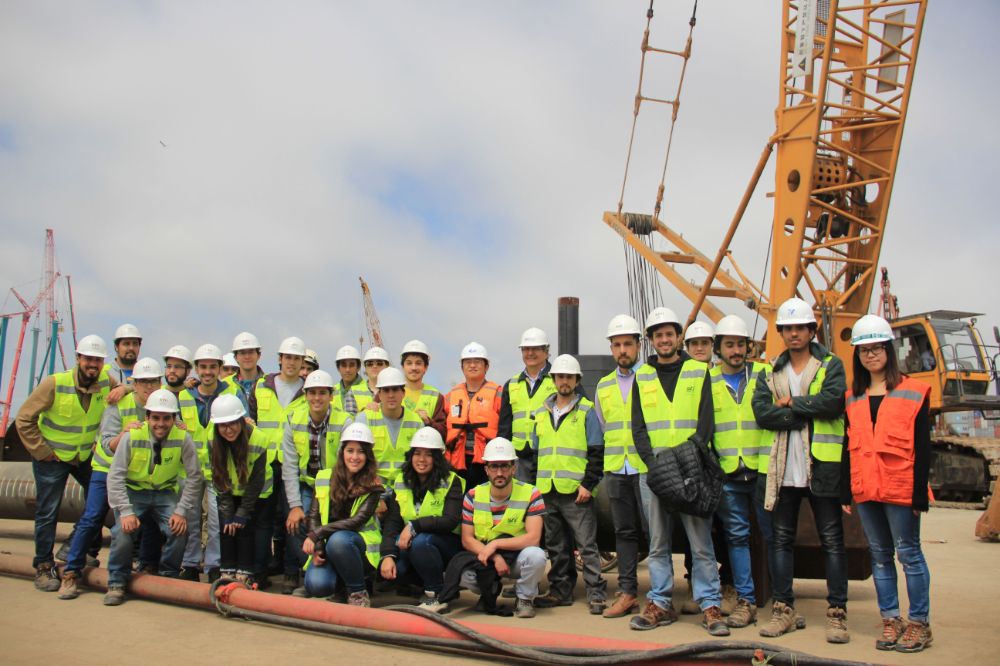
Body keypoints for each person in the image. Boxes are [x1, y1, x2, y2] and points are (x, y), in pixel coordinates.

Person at [751, 297, 849, 643]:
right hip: (782, 472)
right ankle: (784, 610)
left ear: (812, 330)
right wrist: (807, 410)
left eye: (800, 328)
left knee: (832, 542)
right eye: (788, 328)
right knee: (780, 542)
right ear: (781, 332)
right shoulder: (769, 371)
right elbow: (763, 413)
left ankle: (837, 613)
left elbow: (833, 401)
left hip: (821, 468)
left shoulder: (830, 365)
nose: (794, 334)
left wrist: (791, 403)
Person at [629, 307, 728, 637]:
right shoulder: (642, 376)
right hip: (656, 469)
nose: (664, 339)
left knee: (700, 542)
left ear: (677, 337)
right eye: (658, 335)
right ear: (651, 341)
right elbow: (638, 426)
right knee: (657, 542)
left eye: (669, 333)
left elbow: (706, 422)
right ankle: (659, 601)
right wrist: (653, 464)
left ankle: (709, 604)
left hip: (691, 467)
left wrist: (691, 457)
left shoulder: (698, 372)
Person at [842, 315, 933, 653]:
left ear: (889, 350)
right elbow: (846, 445)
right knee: (880, 556)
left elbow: (923, 446)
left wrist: (919, 492)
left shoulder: (913, 389)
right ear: (858, 355)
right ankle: (891, 619)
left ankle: (919, 623)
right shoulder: (853, 396)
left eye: (878, 347)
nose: (871, 354)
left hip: (900, 487)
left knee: (909, 554)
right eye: (865, 350)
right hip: (867, 488)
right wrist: (845, 490)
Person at [15, 335, 119, 592]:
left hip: (84, 456)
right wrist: (42, 451)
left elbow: (123, 391)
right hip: (53, 458)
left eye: (97, 359)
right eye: (88, 359)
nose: (92, 364)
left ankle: (74, 547)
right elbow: (24, 419)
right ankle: (43, 565)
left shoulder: (106, 381)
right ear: (78, 359)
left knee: (101, 498)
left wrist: (125, 389)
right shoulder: (55, 383)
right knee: (48, 511)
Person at [58, 357, 165, 599]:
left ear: (160, 383)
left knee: (141, 521)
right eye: (143, 382)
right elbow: (106, 444)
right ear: (135, 383)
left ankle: (139, 570)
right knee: (93, 516)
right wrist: (124, 437)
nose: (148, 387)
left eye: (153, 381)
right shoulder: (119, 404)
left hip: (135, 475)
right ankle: (71, 572)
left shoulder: (162, 403)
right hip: (106, 469)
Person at [103, 389, 203, 606]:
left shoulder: (183, 438)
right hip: (133, 492)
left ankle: (168, 578)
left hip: (164, 493)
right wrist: (126, 512)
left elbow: (195, 476)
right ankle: (117, 582)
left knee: (178, 528)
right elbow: (115, 476)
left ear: (174, 419)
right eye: (155, 418)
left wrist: (181, 511)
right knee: (122, 531)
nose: (161, 423)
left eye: (167, 418)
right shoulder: (132, 436)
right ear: (146, 417)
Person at [708, 315, 775, 629]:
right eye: (729, 345)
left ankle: (781, 602)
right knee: (736, 537)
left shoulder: (765, 374)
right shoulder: (708, 382)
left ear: (749, 347)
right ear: (719, 348)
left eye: (740, 345)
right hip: (728, 472)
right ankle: (746, 600)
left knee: (773, 536)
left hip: (762, 469)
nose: (736, 351)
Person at [531, 354, 607, 614]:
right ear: (554, 379)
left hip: (577, 493)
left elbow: (597, 452)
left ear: (576, 381)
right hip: (548, 491)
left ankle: (596, 592)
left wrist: (588, 485)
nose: (564, 381)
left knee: (587, 545)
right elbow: (535, 454)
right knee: (556, 546)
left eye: (569, 377)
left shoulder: (586, 411)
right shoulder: (541, 413)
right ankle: (560, 591)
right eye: (560, 376)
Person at [440, 438, 546, 618]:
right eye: (494, 467)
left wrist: (496, 545)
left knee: (537, 556)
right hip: (487, 559)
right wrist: (495, 556)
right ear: (486, 469)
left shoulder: (531, 493)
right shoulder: (473, 495)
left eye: (504, 466)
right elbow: (467, 539)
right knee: (463, 571)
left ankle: (524, 598)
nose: (499, 472)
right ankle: (489, 592)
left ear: (514, 468)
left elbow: (533, 538)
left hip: (517, 557)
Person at [594, 315, 653, 619]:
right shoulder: (603, 387)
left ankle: (659, 595)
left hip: (647, 468)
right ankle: (627, 592)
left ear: (638, 345)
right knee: (624, 533)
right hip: (617, 467)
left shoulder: (653, 378)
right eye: (616, 345)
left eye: (627, 343)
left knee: (656, 532)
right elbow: (605, 426)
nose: (622, 350)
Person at [177, 343, 247, 582]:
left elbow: (244, 423)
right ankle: (189, 563)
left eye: (212, 367)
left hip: (220, 469)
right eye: (203, 367)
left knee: (218, 521)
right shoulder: (184, 396)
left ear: (219, 368)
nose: (207, 372)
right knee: (191, 518)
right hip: (189, 470)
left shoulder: (232, 393)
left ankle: (214, 564)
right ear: (196, 369)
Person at [380, 427, 465, 612]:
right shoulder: (402, 481)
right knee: (397, 569)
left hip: (446, 545)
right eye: (417, 453)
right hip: (414, 543)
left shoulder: (451, 481)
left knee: (421, 542)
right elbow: (393, 522)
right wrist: (388, 555)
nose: (421, 459)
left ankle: (437, 595)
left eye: (428, 454)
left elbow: (450, 520)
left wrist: (414, 525)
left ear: (438, 457)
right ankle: (422, 584)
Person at [281, 369, 351, 593]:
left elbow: (346, 466)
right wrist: (295, 505)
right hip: (306, 484)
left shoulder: (344, 421)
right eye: (312, 393)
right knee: (295, 522)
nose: (317, 398)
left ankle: (333, 565)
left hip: (336, 488)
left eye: (322, 393)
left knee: (332, 526)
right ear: (305, 395)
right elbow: (290, 466)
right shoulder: (294, 420)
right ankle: (309, 566)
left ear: (331, 395)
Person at [302, 422, 383, 607]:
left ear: (368, 456)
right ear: (342, 452)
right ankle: (342, 585)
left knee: (339, 540)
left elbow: (356, 521)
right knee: (318, 586)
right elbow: (314, 515)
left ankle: (357, 592)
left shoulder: (373, 485)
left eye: (361, 451)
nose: (355, 457)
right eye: (350, 450)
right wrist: (319, 547)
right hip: (329, 544)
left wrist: (317, 535)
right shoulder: (324, 477)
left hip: (358, 548)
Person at [249, 336, 307, 591]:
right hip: (263, 462)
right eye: (288, 357)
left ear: (302, 361)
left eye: (296, 358)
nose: (291, 362)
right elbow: (251, 421)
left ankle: (291, 573)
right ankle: (259, 572)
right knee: (262, 521)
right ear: (280, 359)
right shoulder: (261, 386)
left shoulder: (308, 390)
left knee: (292, 518)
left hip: (292, 464)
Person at [209, 394, 272, 587]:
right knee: (228, 528)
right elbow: (219, 477)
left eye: (232, 424)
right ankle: (228, 570)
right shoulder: (213, 441)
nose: (228, 430)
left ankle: (250, 573)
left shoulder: (259, 439)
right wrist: (229, 514)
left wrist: (242, 513)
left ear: (241, 421)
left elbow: (256, 482)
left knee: (249, 533)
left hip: (258, 494)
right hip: (229, 493)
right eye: (223, 426)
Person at [498, 327, 556, 483]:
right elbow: (505, 425)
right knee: (521, 502)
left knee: (544, 503)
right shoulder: (511, 384)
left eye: (535, 348)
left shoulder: (560, 378)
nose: (530, 353)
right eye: (526, 349)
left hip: (548, 454)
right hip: (519, 456)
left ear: (546, 351)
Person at [444, 342, 502, 488]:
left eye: (477, 362)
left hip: (487, 460)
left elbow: (504, 426)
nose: (472, 365)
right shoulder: (450, 396)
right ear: (462, 367)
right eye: (468, 362)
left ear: (486, 366)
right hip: (457, 459)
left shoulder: (498, 393)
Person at [353, 367, 423, 486]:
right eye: (386, 390)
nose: (391, 395)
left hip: (407, 487)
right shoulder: (364, 420)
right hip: (372, 486)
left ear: (403, 393)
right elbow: (354, 460)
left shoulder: (416, 422)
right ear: (379, 394)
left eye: (395, 389)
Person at [399, 339, 447, 437]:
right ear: (402, 366)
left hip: (424, 450)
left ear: (426, 367)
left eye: (418, 363)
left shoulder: (436, 396)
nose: (414, 368)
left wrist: (429, 422)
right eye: (409, 363)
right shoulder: (389, 390)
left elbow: (444, 432)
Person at [332, 345, 372, 416]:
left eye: (351, 365)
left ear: (358, 367)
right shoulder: (332, 391)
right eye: (344, 365)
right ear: (338, 368)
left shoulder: (369, 388)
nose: (347, 369)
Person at [231, 332, 266, 397]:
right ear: (235, 357)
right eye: (242, 353)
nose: (247, 357)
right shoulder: (225, 384)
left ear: (259, 355)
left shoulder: (270, 382)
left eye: (251, 352)